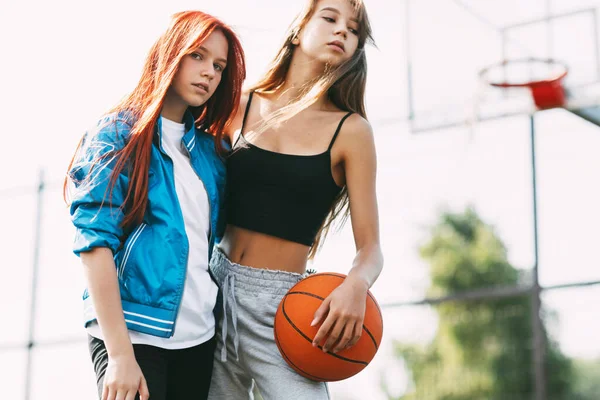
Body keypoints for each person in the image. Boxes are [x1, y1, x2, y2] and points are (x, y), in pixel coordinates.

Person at [64, 10, 245, 400]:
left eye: (219, 65)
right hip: (132, 335)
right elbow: (94, 244)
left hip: (199, 340)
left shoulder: (212, 155)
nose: (209, 73)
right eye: (197, 55)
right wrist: (118, 354)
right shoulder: (118, 134)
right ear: (169, 54)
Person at [207, 0, 382, 399]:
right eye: (330, 18)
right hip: (211, 294)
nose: (342, 31)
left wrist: (356, 285)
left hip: (286, 310)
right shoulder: (238, 103)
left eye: (353, 29)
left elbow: (371, 249)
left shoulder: (351, 132)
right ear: (298, 29)